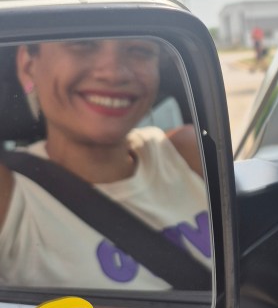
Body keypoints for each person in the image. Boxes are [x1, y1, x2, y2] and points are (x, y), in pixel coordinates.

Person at [0, 38, 211, 290]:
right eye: (82, 43)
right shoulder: (9, 192)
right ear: (27, 64)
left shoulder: (188, 150)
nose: (114, 74)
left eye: (140, 49)